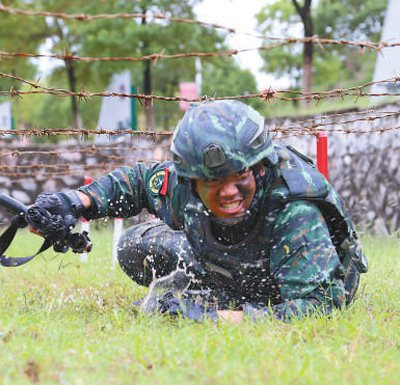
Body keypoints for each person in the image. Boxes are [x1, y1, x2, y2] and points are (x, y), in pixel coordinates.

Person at [29, 100, 368, 323]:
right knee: (133, 245)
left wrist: (212, 318)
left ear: (259, 169)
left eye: (240, 176)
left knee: (281, 302)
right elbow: (136, 181)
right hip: (232, 266)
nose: (229, 192)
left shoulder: (294, 207)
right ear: (192, 182)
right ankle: (221, 293)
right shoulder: (183, 183)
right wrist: (75, 202)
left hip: (287, 278)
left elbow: (320, 307)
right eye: (213, 182)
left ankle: (220, 299)